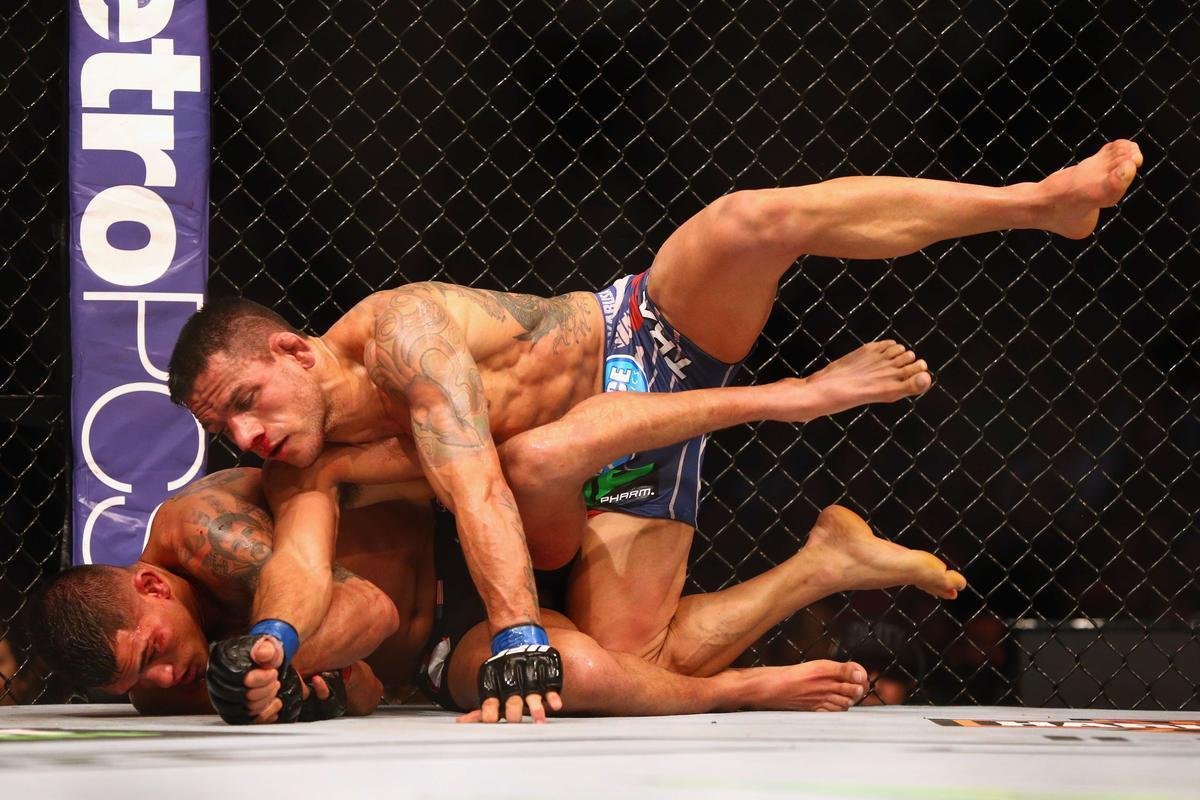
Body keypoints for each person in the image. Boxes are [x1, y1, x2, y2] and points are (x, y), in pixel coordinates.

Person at [166, 140, 1139, 721]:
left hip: (640, 337)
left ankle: (1038, 204)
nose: (245, 434)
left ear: (294, 350)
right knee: (634, 655)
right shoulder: (309, 460)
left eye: (244, 399)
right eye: (225, 428)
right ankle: (821, 563)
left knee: (748, 218)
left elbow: (472, 486)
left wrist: (513, 632)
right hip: (599, 478)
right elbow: (298, 560)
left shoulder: (398, 334)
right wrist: (273, 641)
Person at [26, 465, 964, 719]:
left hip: (479, 536)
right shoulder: (172, 672)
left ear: (149, 584)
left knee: (604, 649)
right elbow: (358, 676)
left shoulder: (205, 536)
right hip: (439, 657)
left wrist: (278, 653)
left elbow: (363, 609)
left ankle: (731, 682)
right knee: (581, 667)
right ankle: (820, 568)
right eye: (140, 683)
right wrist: (307, 697)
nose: (164, 673)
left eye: (149, 650)